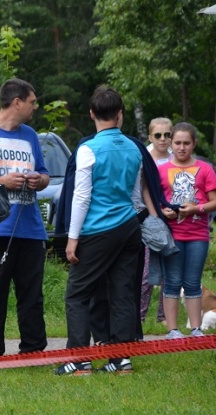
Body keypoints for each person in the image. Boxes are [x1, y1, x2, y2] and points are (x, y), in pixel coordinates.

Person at [55, 87, 144, 375]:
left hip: (98, 230)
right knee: (122, 293)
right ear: (120, 114)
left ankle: (79, 360)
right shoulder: (135, 148)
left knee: (77, 295)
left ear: (92, 114)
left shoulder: (88, 149)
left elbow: (82, 196)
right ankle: (121, 359)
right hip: (129, 227)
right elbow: (134, 195)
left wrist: (72, 238)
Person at [0, 79, 50, 356]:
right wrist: (2, 181)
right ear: (16, 102)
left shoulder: (30, 134)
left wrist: (37, 180)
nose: (35, 107)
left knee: (32, 294)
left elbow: (43, 173)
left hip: (30, 228)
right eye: (32, 102)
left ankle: (33, 349)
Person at [158, 122, 216, 339]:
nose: (181, 147)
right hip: (170, 235)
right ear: (171, 144)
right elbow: (154, 199)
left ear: (194, 144)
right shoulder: (161, 169)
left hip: (198, 235)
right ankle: (172, 330)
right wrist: (164, 211)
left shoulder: (205, 169)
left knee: (193, 282)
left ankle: (196, 328)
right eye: (178, 143)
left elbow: (214, 201)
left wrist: (196, 209)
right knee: (172, 281)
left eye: (186, 143)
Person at [140, 117, 173, 323]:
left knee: (169, 271)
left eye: (167, 135)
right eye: (158, 135)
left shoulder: (175, 158)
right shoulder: (144, 157)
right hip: (151, 220)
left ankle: (163, 317)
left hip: (174, 219)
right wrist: (155, 216)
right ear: (150, 136)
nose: (163, 139)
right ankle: (140, 316)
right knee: (145, 273)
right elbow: (143, 189)